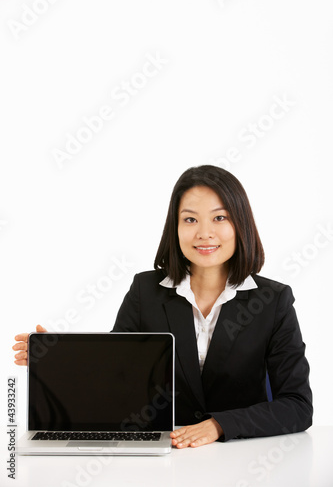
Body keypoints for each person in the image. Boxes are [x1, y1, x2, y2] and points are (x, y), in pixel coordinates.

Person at [13, 165, 313, 448]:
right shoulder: (146, 291)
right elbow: (117, 375)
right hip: (163, 454)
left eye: (220, 218)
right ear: (176, 226)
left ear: (241, 223)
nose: (204, 233)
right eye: (190, 219)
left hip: (240, 456)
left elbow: (297, 406)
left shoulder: (273, 300)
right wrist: (63, 359)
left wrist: (219, 425)